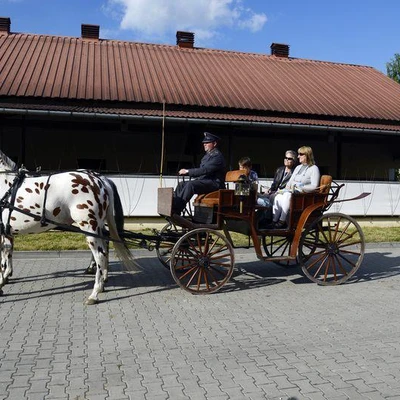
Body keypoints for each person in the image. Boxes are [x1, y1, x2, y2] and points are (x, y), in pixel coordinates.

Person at [172, 132, 226, 215]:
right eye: (204, 143)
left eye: (207, 143)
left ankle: (178, 208)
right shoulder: (207, 156)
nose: (204, 144)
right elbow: (202, 171)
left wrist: (188, 171)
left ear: (214, 143)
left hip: (215, 183)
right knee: (181, 184)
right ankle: (174, 204)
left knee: (191, 185)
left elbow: (205, 170)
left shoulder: (217, 157)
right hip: (207, 181)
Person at [270, 146, 320, 229]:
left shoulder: (314, 169)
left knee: (287, 195)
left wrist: (300, 187)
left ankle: (282, 221)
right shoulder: (298, 167)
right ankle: (274, 221)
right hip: (292, 191)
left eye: (300, 154)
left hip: (302, 194)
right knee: (278, 196)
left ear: (307, 155)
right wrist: (285, 188)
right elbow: (290, 182)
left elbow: (314, 186)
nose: (298, 156)